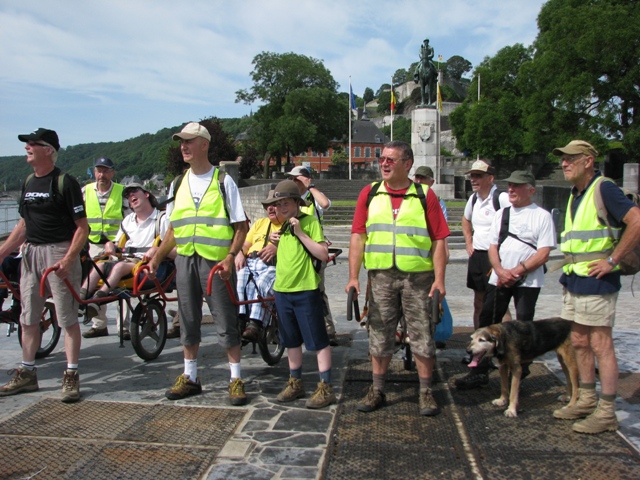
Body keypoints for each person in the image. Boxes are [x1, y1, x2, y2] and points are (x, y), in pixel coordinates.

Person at [147, 122, 249, 405]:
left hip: (216, 264)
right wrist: (156, 256)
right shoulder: (177, 183)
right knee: (188, 319)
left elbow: (241, 226)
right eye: (181, 142)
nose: (183, 146)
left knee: (226, 320)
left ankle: (235, 378)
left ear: (204, 144)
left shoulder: (223, 181)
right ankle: (190, 377)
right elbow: (172, 229)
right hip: (185, 261)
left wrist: (230, 257)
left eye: (189, 141)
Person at [346, 140, 449, 416]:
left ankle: (426, 392)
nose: (384, 163)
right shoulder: (369, 193)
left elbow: (440, 240)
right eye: (382, 159)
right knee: (379, 333)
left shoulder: (425, 195)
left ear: (407, 164)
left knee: (422, 334)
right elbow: (358, 237)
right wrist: (353, 277)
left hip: (419, 278)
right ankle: (377, 389)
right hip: (380, 277)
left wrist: (440, 280)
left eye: (391, 159)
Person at [551, 140, 640, 434]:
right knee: (578, 341)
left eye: (570, 158)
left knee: (601, 344)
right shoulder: (576, 193)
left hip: (597, 279)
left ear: (588, 160)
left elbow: (636, 220)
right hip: (575, 277)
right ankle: (587, 399)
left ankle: (606, 412)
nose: (564, 163)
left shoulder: (604, 188)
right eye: (563, 159)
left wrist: (612, 261)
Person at [0, 128, 89, 403]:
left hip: (58, 252)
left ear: (48, 150)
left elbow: (82, 228)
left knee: (66, 317)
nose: (27, 147)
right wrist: (2, 251)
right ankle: (27, 373)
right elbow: (23, 225)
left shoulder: (65, 182)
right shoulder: (28, 182)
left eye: (33, 143)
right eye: (26, 143)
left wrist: (68, 259)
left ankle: (71, 374)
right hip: (31, 254)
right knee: (28, 317)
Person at [455, 170, 556, 389]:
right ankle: (479, 370)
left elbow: (543, 253)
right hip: (499, 277)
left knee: (523, 325)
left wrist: (517, 271)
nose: (511, 189)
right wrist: (500, 271)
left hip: (528, 281)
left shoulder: (542, 216)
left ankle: (520, 368)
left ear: (531, 190)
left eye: (518, 186)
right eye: (510, 185)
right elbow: (493, 246)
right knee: (487, 321)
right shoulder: (503, 214)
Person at [268, 180, 335, 409]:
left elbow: (323, 254)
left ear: (297, 203)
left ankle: (325, 386)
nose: (281, 208)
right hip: (283, 290)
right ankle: (295, 382)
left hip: (305, 289)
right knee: (291, 339)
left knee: (317, 339)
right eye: (278, 204)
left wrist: (300, 233)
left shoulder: (308, 221)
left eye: (285, 203)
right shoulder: (283, 226)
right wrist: (274, 241)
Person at [82, 183, 170, 339]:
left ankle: (98, 299)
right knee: (100, 265)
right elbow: (118, 244)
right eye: (128, 196)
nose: (131, 196)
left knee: (119, 267)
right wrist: (110, 244)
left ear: (146, 194)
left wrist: (157, 249)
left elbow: (169, 244)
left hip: (146, 264)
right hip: (126, 258)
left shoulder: (161, 219)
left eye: (134, 192)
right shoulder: (128, 220)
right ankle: (81, 297)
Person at [284, 166, 337, 342]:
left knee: (318, 290)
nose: (293, 182)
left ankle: (328, 329)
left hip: (312, 249)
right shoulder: (289, 198)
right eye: (291, 179)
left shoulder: (312, 198)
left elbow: (326, 204)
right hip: (292, 249)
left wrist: (310, 186)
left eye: (297, 179)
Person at [82, 157, 128, 339]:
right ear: (94, 172)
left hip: (118, 244)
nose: (101, 175)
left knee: (120, 284)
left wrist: (118, 243)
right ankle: (99, 324)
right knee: (96, 282)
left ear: (112, 173)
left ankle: (123, 327)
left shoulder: (122, 192)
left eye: (105, 171)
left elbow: (130, 219)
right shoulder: (85, 191)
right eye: (98, 170)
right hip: (94, 243)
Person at [462, 159, 510, 331]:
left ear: (490, 178)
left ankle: (505, 342)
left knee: (499, 302)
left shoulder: (501, 198)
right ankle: (479, 343)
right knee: (478, 301)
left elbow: (514, 220)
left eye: (478, 176)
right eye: (472, 176)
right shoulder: (473, 199)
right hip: (478, 255)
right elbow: (465, 220)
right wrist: (469, 242)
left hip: (495, 256)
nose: (474, 180)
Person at [235, 189, 281, 341]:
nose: (270, 208)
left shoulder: (287, 225)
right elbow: (245, 244)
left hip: (272, 265)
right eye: (268, 205)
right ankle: (241, 318)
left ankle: (255, 323)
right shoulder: (260, 223)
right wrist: (240, 253)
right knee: (239, 279)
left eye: (274, 205)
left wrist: (277, 248)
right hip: (251, 261)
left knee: (261, 284)